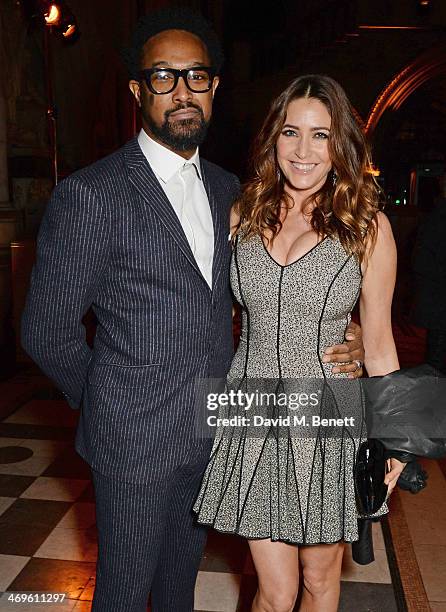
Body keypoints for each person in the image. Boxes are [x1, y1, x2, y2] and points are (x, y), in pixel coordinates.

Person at [20, 8, 365, 611]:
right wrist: (112, 401)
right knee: (124, 594)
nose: (182, 91)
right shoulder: (90, 194)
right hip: (134, 438)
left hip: (216, 429)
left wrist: (346, 332)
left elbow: (275, 292)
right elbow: (45, 331)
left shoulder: (235, 191)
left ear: (214, 88)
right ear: (138, 91)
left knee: (179, 587)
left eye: (196, 76)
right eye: (163, 77)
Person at [194, 75, 406, 612]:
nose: (304, 151)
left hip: (328, 418)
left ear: (341, 147)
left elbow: (379, 346)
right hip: (254, 412)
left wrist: (396, 442)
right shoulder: (240, 216)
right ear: (274, 139)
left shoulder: (368, 230)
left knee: (318, 582)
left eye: (321, 134)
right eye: (292, 132)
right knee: (276, 589)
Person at [412, 173, 446, 374]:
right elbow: (423, 262)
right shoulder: (440, 217)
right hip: (440, 306)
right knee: (436, 367)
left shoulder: (436, 214)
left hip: (437, 305)